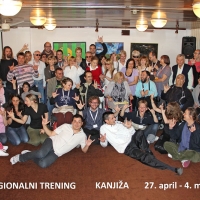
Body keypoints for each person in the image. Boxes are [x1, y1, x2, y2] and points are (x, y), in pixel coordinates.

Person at [100, 112, 183, 175]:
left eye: (114, 117)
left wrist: (129, 127)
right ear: (106, 121)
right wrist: (102, 141)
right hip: (126, 148)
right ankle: (171, 168)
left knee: (140, 132)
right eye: (112, 118)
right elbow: (104, 145)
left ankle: (148, 151)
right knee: (143, 157)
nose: (115, 119)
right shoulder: (103, 129)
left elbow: (132, 132)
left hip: (132, 140)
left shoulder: (118, 123)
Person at [10, 114, 95, 168]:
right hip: (51, 142)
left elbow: (84, 150)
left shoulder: (82, 136)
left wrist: (87, 145)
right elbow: (51, 134)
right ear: (72, 122)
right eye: (75, 121)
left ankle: (29, 154)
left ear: (82, 123)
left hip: (57, 153)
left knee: (43, 164)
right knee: (41, 153)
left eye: (79, 122)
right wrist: (44, 125)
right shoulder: (65, 126)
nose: (77, 124)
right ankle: (20, 158)